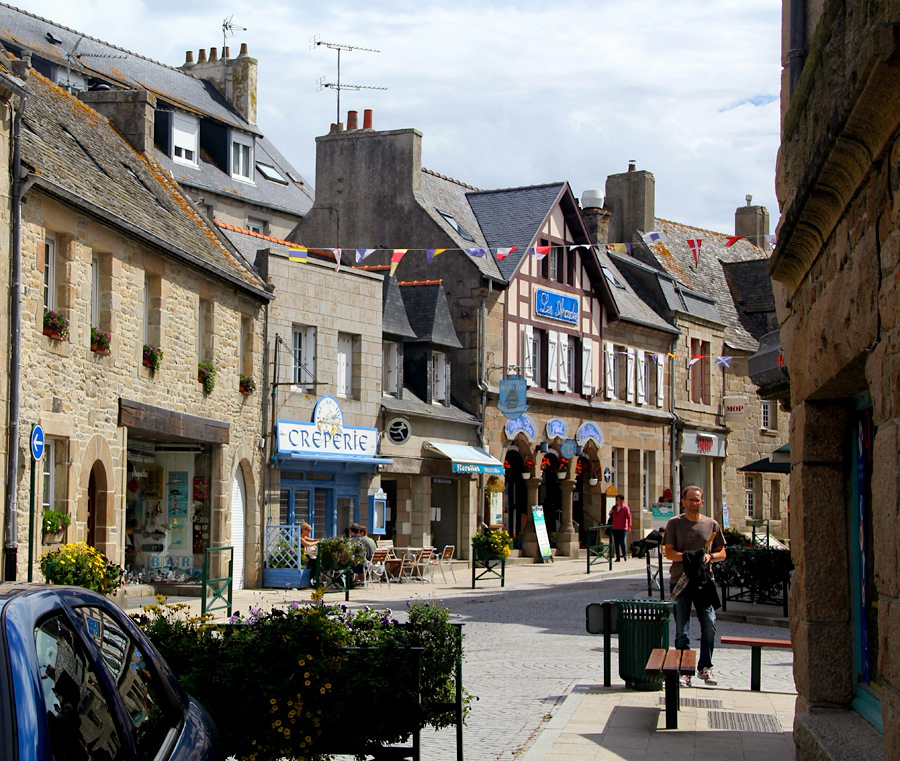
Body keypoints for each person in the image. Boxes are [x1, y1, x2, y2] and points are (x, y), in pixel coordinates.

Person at [664, 485, 726, 686]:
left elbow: (722, 553)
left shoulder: (711, 524)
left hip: (704, 582)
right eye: (690, 500)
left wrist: (709, 556)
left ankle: (705, 668)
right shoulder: (675, 524)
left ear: (702, 502)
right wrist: (692, 557)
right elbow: (670, 553)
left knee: (709, 625)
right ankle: (684, 670)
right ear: (683, 502)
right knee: (682, 629)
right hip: (680, 582)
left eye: (697, 500)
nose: (693, 503)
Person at [609, 494, 632, 561]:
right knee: (616, 542)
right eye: (616, 499)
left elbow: (629, 517)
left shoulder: (625, 508)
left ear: (622, 500)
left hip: (623, 527)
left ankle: (625, 555)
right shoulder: (614, 507)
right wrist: (611, 511)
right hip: (615, 527)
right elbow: (610, 514)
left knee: (622, 542)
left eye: (619, 499)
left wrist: (629, 526)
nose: (617, 501)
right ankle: (618, 557)